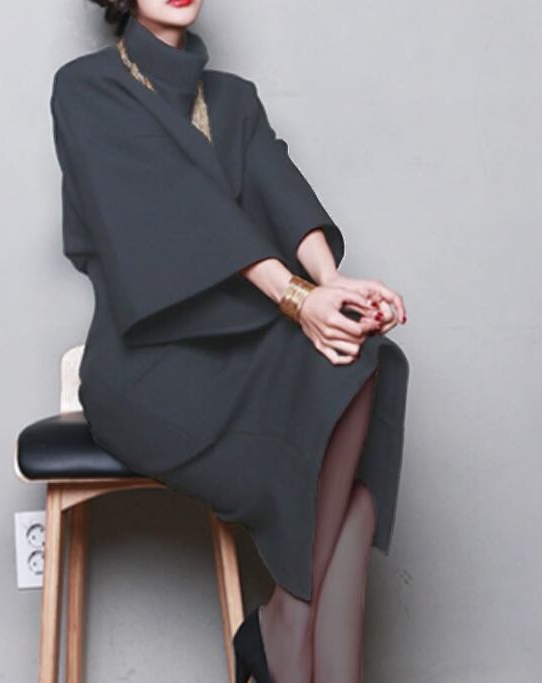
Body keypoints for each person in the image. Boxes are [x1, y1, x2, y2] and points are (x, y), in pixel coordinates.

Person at [50, 1, 410, 681]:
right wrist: (297, 298)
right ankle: (284, 638)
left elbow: (282, 193)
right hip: (147, 367)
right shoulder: (86, 88)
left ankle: (288, 632)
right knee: (343, 487)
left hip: (241, 346)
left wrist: (335, 286)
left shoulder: (232, 98)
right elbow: (177, 212)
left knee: (364, 356)